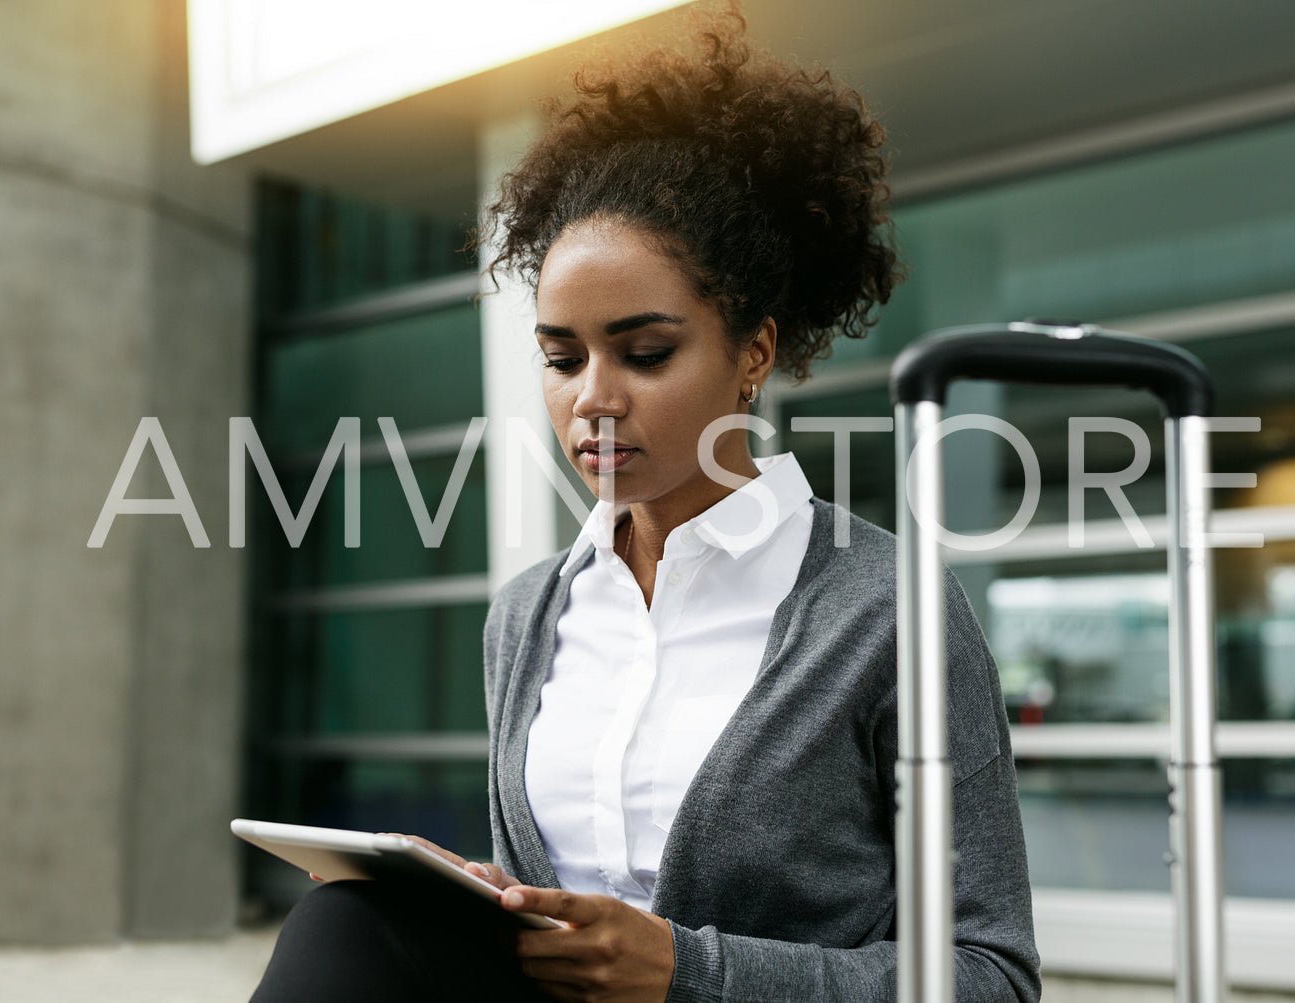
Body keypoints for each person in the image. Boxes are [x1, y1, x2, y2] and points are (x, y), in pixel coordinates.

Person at [249, 8, 1039, 1002]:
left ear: (751, 352)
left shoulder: (889, 612)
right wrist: (498, 902)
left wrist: (686, 970)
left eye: (645, 352)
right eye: (561, 357)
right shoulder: (528, 614)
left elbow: (991, 976)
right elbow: (549, 908)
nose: (593, 398)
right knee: (349, 916)